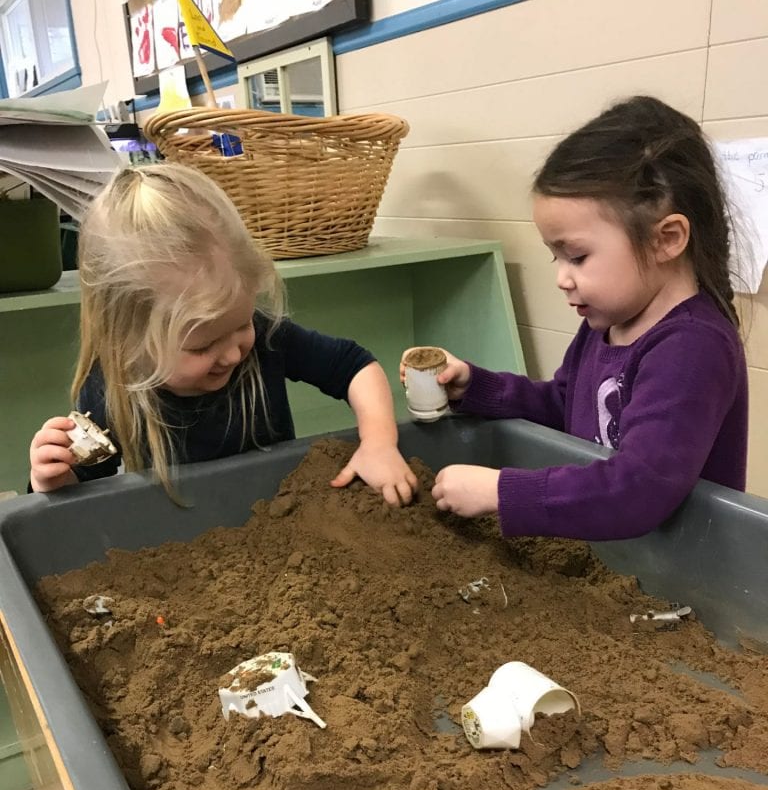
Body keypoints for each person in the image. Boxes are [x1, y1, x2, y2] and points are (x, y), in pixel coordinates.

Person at [404, 95, 748, 541]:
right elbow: (566, 405)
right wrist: (476, 385)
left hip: (687, 567)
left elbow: (639, 488)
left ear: (667, 239)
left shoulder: (693, 349)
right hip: (615, 551)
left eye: (578, 257)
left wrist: (502, 491)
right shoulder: (604, 325)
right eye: (556, 259)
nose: (563, 279)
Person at [30, 163, 418, 506]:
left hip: (281, 516)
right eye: (202, 345)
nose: (233, 354)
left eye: (241, 324)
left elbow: (354, 366)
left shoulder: (265, 339)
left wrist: (379, 442)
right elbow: (78, 506)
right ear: (128, 345)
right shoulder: (108, 389)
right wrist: (54, 477)